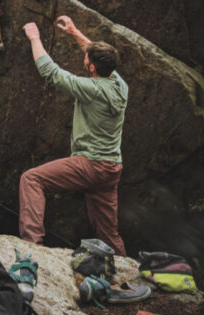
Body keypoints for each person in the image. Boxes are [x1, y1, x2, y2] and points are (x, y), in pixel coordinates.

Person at [19, 15, 128, 255]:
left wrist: (34, 38)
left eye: (87, 57)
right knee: (109, 234)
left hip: (90, 164)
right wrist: (75, 31)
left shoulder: (92, 88)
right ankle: (125, 277)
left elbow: (51, 72)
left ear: (91, 67)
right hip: (111, 169)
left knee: (32, 179)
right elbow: (98, 56)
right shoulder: (120, 84)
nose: (85, 55)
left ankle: (32, 246)